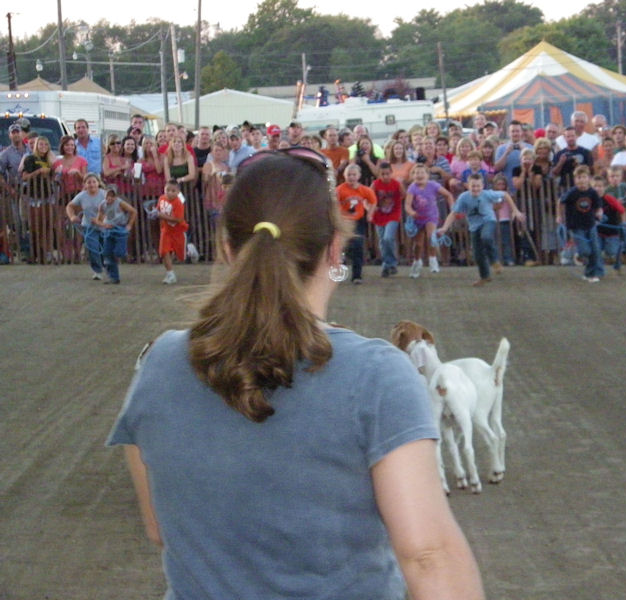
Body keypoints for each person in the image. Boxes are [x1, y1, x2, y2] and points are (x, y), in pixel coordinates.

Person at [106, 148, 484, 599]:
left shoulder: (161, 363)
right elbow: (430, 558)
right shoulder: (378, 375)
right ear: (335, 248)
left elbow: (158, 528)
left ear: (228, 249)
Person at [437, 173, 523, 286]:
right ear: (468, 186)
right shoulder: (463, 197)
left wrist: (515, 210)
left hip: (488, 221)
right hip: (474, 227)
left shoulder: (487, 194)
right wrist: (444, 228)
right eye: (473, 186)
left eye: (478, 186)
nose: (476, 189)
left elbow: (505, 194)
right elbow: (454, 213)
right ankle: (485, 276)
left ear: (482, 186)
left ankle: (494, 261)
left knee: (486, 237)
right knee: (477, 254)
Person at [405, 163, 454, 278]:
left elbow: (448, 195)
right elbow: (407, 205)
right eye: (416, 173)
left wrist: (453, 207)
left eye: (422, 173)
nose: (419, 175)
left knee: (431, 236)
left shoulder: (433, 185)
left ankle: (433, 259)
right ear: (412, 176)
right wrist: (412, 212)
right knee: (418, 244)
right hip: (417, 218)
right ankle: (417, 262)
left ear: (428, 175)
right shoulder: (412, 188)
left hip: (431, 216)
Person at [557, 165, 604, 282]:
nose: (581, 180)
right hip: (576, 226)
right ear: (575, 179)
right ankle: (578, 254)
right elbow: (560, 201)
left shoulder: (592, 193)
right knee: (585, 251)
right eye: (578, 177)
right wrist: (559, 216)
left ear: (589, 179)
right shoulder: (572, 193)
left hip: (590, 224)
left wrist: (599, 212)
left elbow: (598, 205)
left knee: (595, 249)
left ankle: (592, 273)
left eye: (584, 177)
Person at [336, 164, 377, 284]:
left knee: (358, 245)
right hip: (344, 221)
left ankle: (357, 275)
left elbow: (373, 201)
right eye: (349, 175)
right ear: (344, 176)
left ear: (359, 176)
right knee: (343, 245)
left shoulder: (364, 190)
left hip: (358, 221)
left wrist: (370, 214)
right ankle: (339, 269)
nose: (351, 177)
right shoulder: (340, 190)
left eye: (354, 175)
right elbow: (333, 204)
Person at [21, 136, 56, 263]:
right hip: (34, 196)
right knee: (36, 225)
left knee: (47, 225)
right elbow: (24, 176)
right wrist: (39, 172)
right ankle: (35, 253)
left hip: (48, 195)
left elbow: (54, 175)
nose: (43, 147)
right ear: (36, 145)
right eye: (41, 144)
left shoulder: (49, 159)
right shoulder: (30, 159)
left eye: (45, 145)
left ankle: (46, 252)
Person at [65, 173, 105, 279]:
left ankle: (105, 266)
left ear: (98, 183)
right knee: (93, 248)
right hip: (89, 226)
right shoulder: (82, 196)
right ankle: (97, 271)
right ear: (85, 185)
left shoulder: (104, 195)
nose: (92, 184)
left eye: (94, 182)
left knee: (104, 248)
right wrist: (72, 216)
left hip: (104, 226)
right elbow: (69, 206)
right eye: (89, 182)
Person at [95, 184, 136, 284]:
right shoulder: (102, 205)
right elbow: (98, 220)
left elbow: (133, 211)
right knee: (107, 253)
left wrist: (129, 225)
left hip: (120, 228)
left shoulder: (120, 203)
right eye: (108, 195)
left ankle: (123, 253)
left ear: (116, 196)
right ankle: (113, 277)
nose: (110, 198)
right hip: (109, 229)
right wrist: (104, 225)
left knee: (119, 252)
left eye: (112, 196)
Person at [371, 162, 404, 278]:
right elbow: (369, 197)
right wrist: (371, 208)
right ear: (379, 174)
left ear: (391, 173)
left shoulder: (397, 184)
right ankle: (387, 264)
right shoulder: (375, 184)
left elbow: (404, 195)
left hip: (393, 214)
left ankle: (391, 262)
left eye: (387, 174)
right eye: (382, 174)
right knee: (382, 241)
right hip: (379, 215)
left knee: (388, 237)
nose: (385, 176)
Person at [157, 179, 189, 284]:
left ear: (178, 192)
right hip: (166, 231)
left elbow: (179, 219)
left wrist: (162, 216)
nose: (170, 193)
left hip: (178, 231)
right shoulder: (161, 199)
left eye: (173, 191)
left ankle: (190, 250)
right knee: (163, 251)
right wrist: (154, 213)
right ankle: (170, 274)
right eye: (168, 190)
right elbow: (158, 211)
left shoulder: (178, 203)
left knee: (181, 256)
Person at [592, 175, 626, 274]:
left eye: (600, 186)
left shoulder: (609, 199)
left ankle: (617, 260)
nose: (598, 189)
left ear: (604, 187)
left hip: (612, 232)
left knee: (611, 252)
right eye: (595, 186)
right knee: (596, 250)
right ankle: (598, 270)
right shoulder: (590, 200)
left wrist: (624, 223)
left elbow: (622, 211)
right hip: (597, 232)